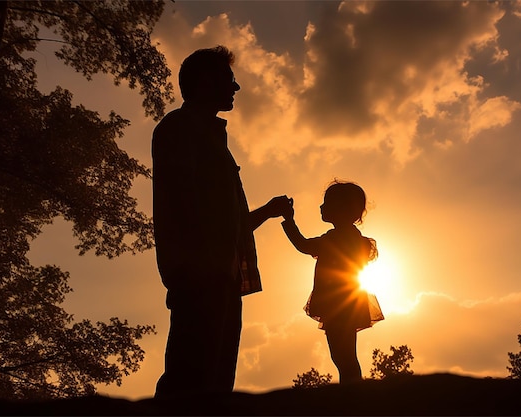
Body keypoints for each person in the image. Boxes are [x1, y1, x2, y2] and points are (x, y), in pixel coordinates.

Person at [152, 45, 290, 397]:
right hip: (199, 275)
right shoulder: (179, 129)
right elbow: (187, 204)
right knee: (189, 383)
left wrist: (267, 212)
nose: (236, 87)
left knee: (215, 387)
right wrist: (194, 266)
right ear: (205, 81)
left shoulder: (211, 140)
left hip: (222, 278)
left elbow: (229, 221)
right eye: (229, 79)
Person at [280, 181, 384, 384]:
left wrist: (288, 220)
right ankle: (352, 390)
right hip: (350, 302)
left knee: (342, 356)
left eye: (326, 203)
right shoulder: (356, 240)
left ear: (341, 209)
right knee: (345, 355)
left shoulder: (334, 240)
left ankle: (352, 393)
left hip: (337, 304)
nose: (321, 207)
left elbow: (303, 245)